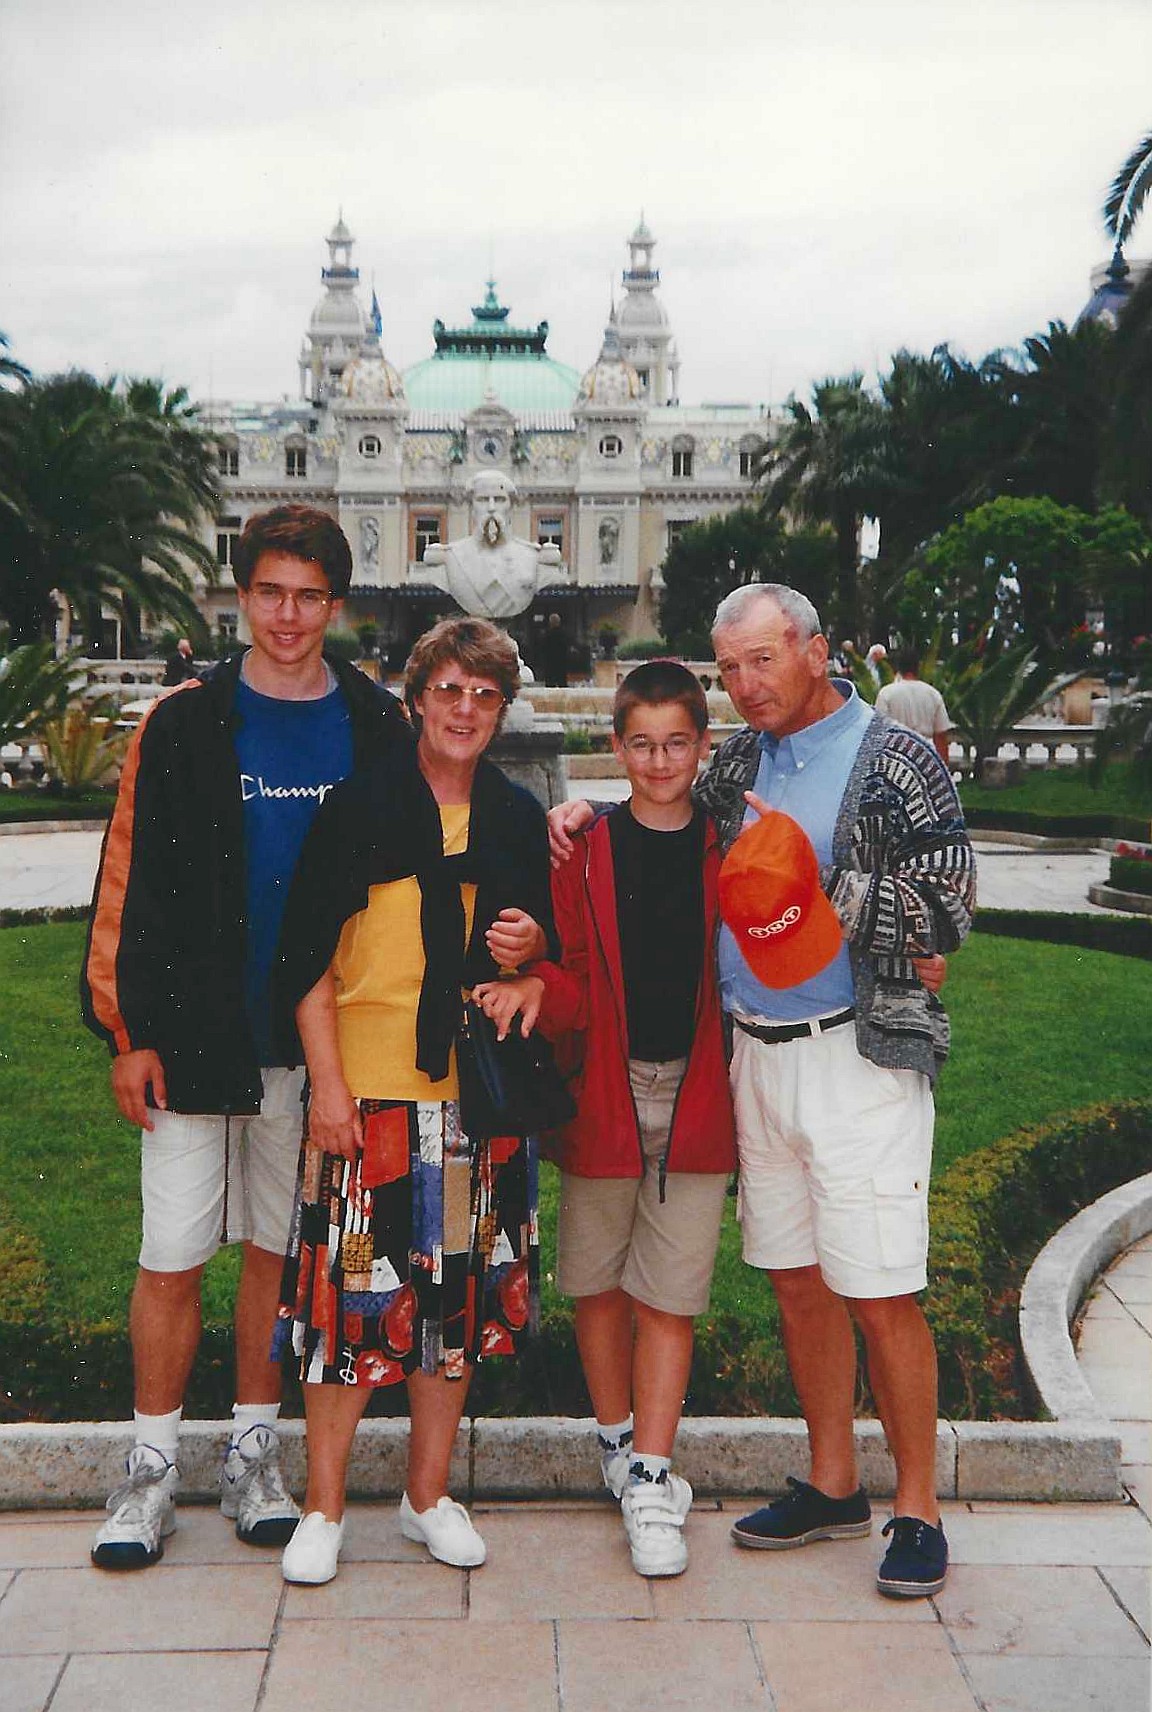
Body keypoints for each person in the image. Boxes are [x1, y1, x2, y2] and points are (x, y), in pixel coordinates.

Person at [549, 583, 974, 1599]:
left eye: (763, 661)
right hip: (752, 1054)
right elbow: (659, 801)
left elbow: (950, 904)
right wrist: (582, 810)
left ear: (817, 649)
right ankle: (833, 1478)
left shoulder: (896, 756)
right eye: (729, 667)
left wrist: (818, 885)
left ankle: (917, 1504)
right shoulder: (737, 758)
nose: (745, 684)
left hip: (856, 1053)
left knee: (877, 1287)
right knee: (794, 1276)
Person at [81, 504, 410, 1570]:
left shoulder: (373, 719)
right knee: (172, 1253)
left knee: (276, 1250)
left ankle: (254, 1449)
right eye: (270, 590)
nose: (287, 613)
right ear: (241, 596)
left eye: (310, 595)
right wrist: (126, 1029)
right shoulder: (183, 721)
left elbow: (423, 855)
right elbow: (126, 881)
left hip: (315, 1048)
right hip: (190, 1033)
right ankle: (149, 1465)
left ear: (337, 605)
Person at [271, 616, 557, 1586]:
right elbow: (306, 961)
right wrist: (329, 1087)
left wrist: (527, 970)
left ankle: (427, 1493)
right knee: (349, 1317)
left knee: (456, 1313)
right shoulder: (361, 808)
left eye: (485, 695)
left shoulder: (515, 816)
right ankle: (323, 1505)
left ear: (502, 710)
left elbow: (538, 959)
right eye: (449, 691)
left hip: (475, 1103)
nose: (466, 710)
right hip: (369, 1097)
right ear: (415, 699)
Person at [474, 662, 737, 1580]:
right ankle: (619, 1443)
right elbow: (577, 977)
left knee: (670, 1293)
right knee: (596, 1283)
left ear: (703, 747)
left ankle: (655, 1474)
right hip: (605, 1098)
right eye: (642, 743)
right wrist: (536, 988)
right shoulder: (585, 850)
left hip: (700, 1093)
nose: (660, 760)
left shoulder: (729, 843)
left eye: (677, 743)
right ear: (615, 747)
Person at [423, 470, 565, 619]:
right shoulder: (449, 557)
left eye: (499, 500)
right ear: (472, 507)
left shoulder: (534, 557)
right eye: (483, 500)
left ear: (510, 506)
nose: (491, 507)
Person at [875, 647, 953, 766]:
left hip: (897, 758)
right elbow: (941, 736)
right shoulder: (933, 694)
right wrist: (944, 770)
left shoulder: (886, 694)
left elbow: (878, 732)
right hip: (926, 758)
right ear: (918, 667)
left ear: (898, 668)